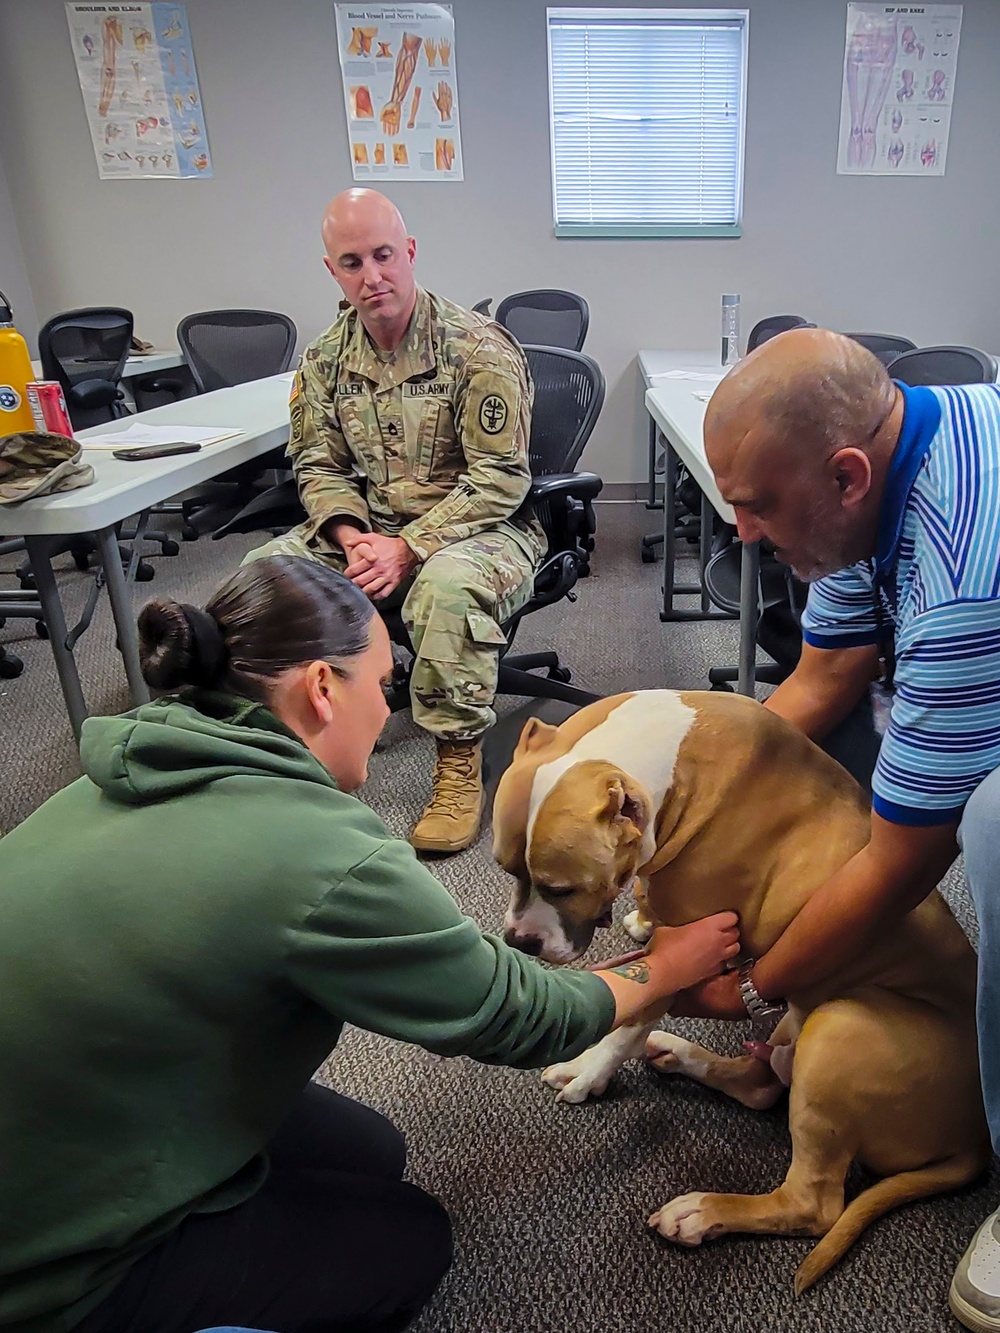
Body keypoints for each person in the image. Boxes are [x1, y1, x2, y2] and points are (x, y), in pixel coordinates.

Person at [0, 555, 740, 1333]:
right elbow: (511, 1012)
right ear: (322, 687)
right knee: (410, 1243)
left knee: (372, 1151)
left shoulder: (115, 772)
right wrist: (669, 966)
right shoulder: (318, 852)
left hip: (67, 1111)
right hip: (46, 1264)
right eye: (384, 687)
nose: (392, 715)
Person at [678, 326, 1000, 1332]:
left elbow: (904, 862)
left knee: (990, 823)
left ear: (847, 475)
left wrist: (755, 982)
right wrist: (685, 790)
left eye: (758, 503)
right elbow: (822, 676)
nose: (739, 530)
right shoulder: (878, 471)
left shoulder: (957, 579)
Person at [245, 187, 543, 855]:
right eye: (352, 262)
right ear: (332, 271)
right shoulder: (324, 359)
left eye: (384, 255)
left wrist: (408, 547)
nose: (372, 276)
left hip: (484, 528)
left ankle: (459, 759)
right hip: (368, 529)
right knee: (263, 579)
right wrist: (353, 539)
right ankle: (294, 749)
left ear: (409, 253)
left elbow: (500, 480)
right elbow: (317, 465)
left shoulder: (477, 350)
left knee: (445, 585)